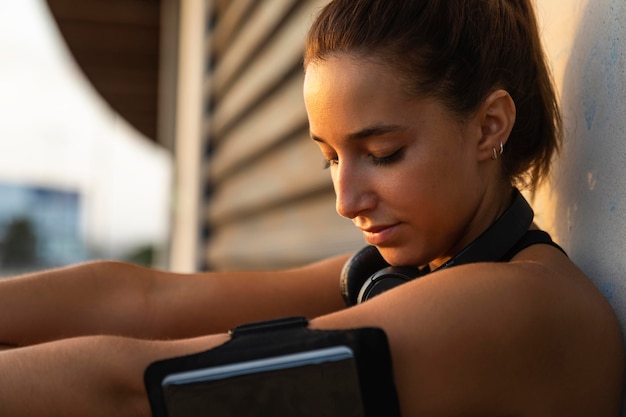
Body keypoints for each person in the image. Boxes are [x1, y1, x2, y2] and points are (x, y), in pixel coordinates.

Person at [0, 0, 623, 415]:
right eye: (329, 157)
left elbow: (143, 391)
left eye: (382, 152)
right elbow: (147, 300)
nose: (345, 200)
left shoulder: (519, 304)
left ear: (489, 127)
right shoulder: (411, 273)